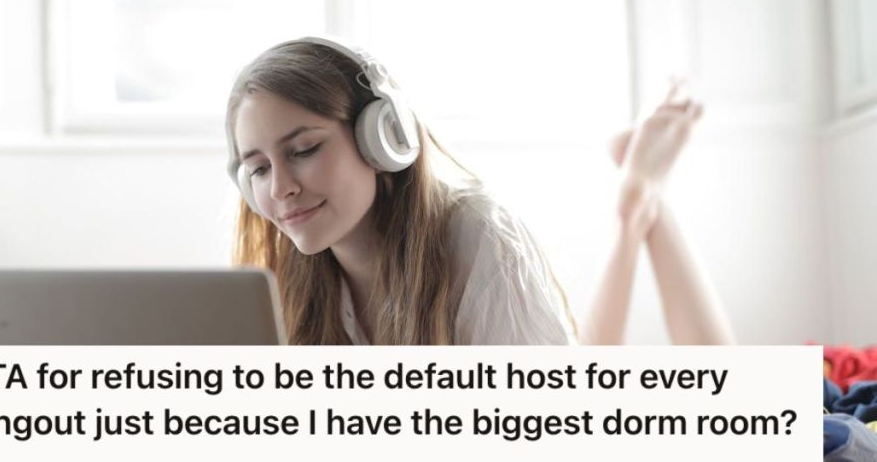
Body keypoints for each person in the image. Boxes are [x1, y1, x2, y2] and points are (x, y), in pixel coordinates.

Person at [224, 36, 735, 346]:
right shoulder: (283, 275)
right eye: (259, 169)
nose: (281, 189)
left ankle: (638, 203)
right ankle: (636, 203)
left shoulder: (477, 237)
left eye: (305, 149)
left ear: (383, 138)